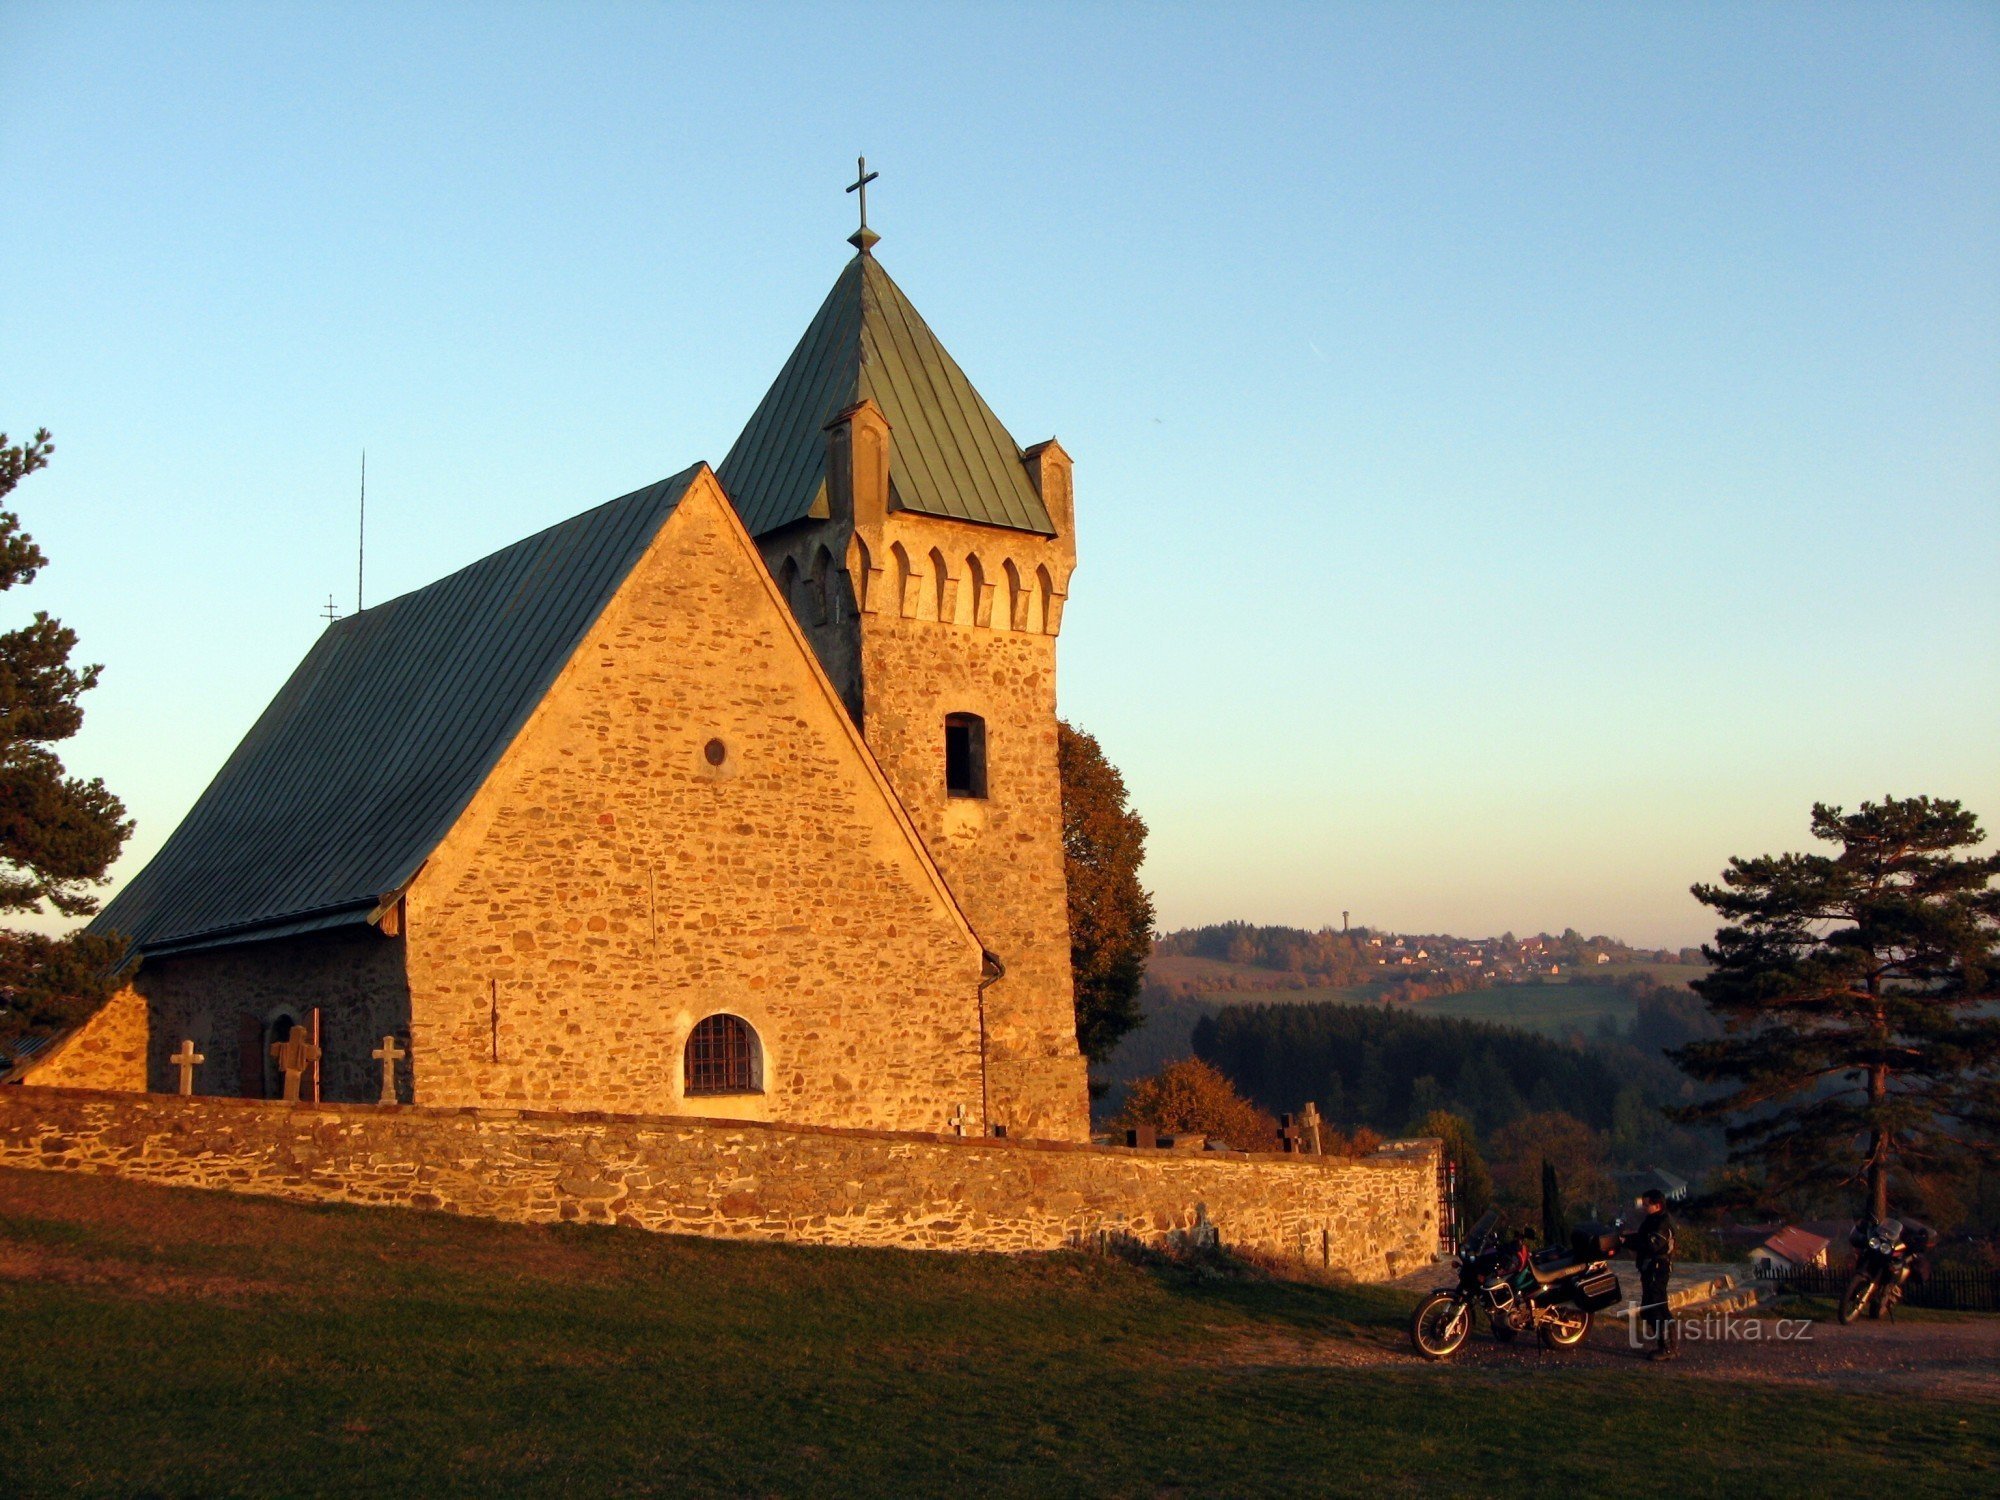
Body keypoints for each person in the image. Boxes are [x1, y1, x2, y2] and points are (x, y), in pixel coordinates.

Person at [1623, 1187, 1677, 1361]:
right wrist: (1625, 1240)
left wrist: (1627, 1241)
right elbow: (1641, 1237)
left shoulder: (1663, 1223)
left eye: (1647, 1204)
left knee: (1657, 1306)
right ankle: (1666, 1345)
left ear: (1658, 1205)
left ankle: (1667, 1348)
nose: (1644, 1207)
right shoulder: (1651, 1220)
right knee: (1648, 1309)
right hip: (1649, 1268)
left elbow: (1651, 1244)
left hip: (1658, 1268)